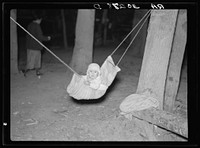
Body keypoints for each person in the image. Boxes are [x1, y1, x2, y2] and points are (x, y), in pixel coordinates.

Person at [23, 12, 51, 77]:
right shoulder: (37, 25)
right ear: (38, 19)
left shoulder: (30, 25)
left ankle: (37, 72)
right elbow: (40, 36)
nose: (40, 21)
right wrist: (47, 38)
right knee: (32, 61)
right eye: (40, 20)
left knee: (36, 61)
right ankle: (25, 72)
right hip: (34, 47)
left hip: (32, 46)